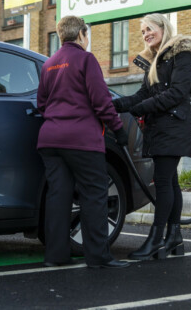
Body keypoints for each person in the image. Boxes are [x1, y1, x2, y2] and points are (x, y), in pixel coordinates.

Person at [37, 15, 130, 269]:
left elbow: (42, 104)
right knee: (94, 195)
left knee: (58, 196)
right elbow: (101, 101)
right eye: (86, 35)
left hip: (50, 140)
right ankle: (98, 257)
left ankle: (56, 256)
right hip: (81, 140)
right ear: (80, 35)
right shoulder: (86, 60)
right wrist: (118, 129)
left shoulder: (49, 64)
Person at [112, 13, 191, 260]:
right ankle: (174, 237)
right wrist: (113, 105)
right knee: (170, 182)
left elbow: (177, 93)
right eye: (142, 32)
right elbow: (141, 94)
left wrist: (138, 109)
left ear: (163, 27)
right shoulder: (155, 62)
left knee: (162, 182)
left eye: (149, 29)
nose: (146, 34)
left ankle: (155, 239)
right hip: (160, 129)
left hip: (173, 128)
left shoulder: (182, 55)